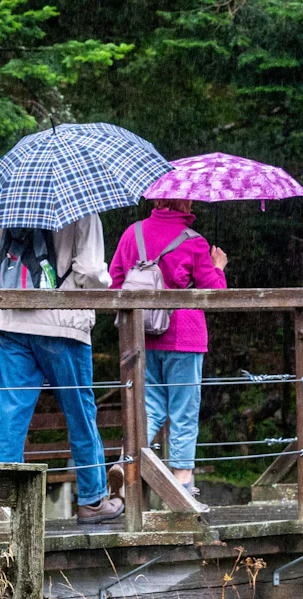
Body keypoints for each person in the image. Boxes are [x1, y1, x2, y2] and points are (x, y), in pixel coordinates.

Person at [0, 214, 125, 524]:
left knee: (12, 415)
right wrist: (106, 282)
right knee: (80, 413)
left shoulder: (12, 206)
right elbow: (89, 272)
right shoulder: (83, 210)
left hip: (13, 320)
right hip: (62, 323)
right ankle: (92, 500)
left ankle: (4, 504)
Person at [109, 200, 228, 503]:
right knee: (184, 411)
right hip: (184, 336)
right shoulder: (194, 241)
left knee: (148, 406)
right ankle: (182, 486)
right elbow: (212, 293)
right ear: (185, 201)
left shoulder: (131, 234)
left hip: (141, 336)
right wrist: (218, 267)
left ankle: (125, 462)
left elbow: (115, 283)